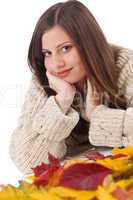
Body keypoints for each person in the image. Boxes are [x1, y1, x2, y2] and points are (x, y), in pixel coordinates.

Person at [9, 0, 133, 174]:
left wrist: (98, 116)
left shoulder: (126, 65)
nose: (57, 63)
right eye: (47, 53)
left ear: (89, 44)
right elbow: (26, 160)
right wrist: (62, 102)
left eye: (66, 48)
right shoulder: (45, 79)